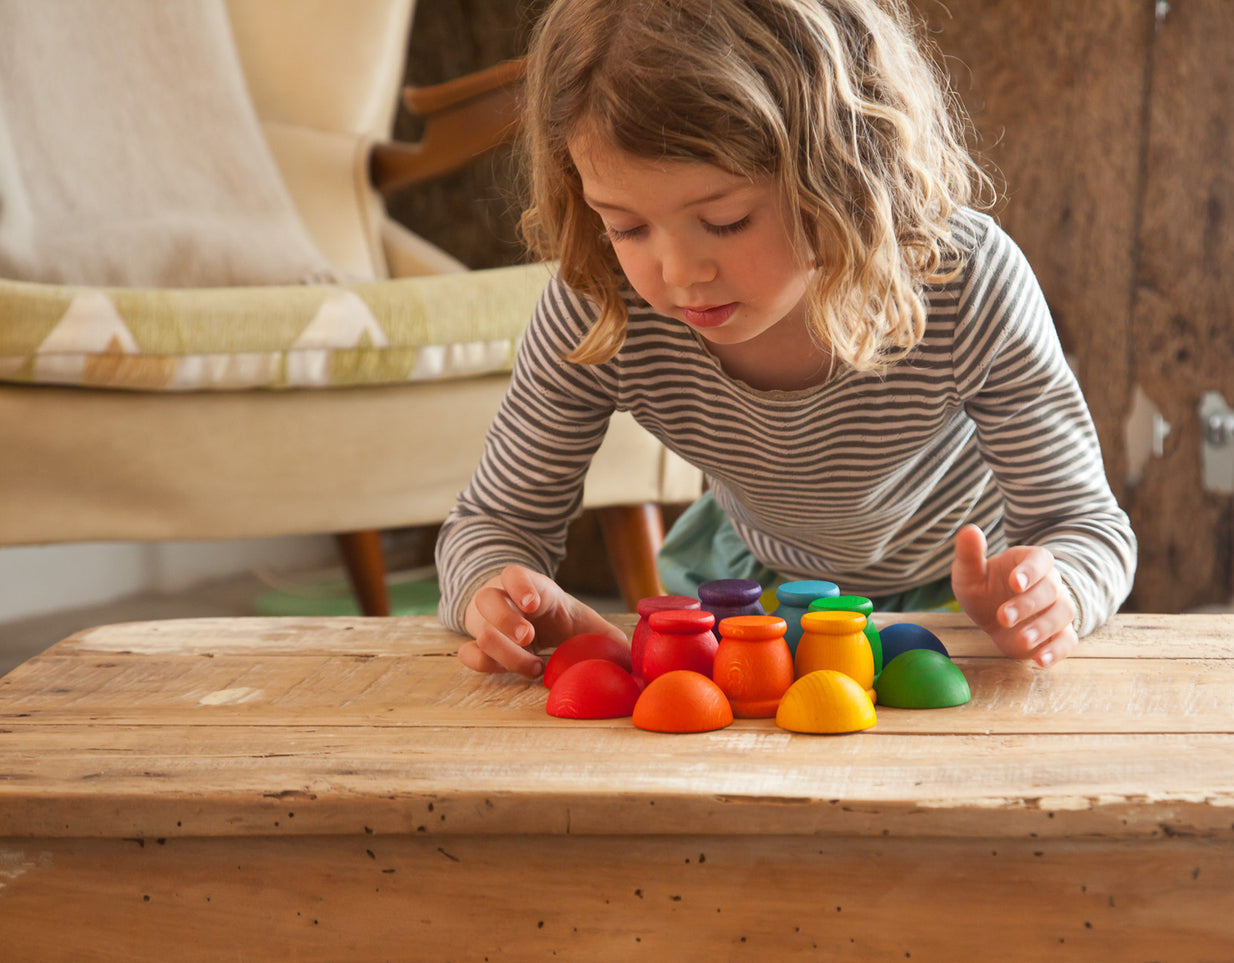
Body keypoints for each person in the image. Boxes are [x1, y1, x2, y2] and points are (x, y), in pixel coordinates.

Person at [436, 0, 1137, 680]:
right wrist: (495, 599)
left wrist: (1051, 593)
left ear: (844, 172)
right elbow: (494, 521)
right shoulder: (598, 304)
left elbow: (1082, 523)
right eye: (626, 226)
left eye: (727, 220)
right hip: (748, 595)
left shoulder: (963, 281)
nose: (679, 274)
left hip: (957, 605)